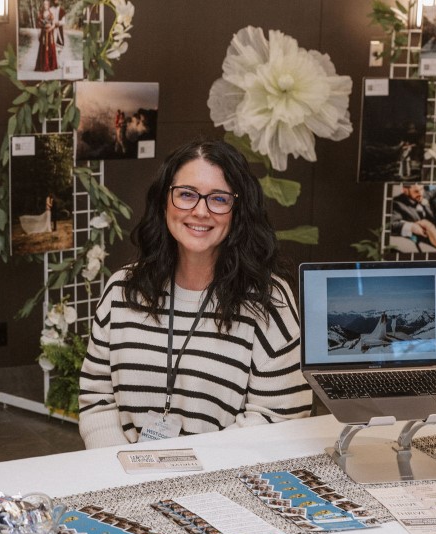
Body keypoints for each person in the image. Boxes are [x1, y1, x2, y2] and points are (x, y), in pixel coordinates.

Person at [78, 139, 311, 448]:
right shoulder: (123, 290)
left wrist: (193, 469)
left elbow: (279, 415)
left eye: (218, 199)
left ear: (237, 210)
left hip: (224, 483)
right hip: (126, 477)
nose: (201, 211)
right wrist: (119, 466)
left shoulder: (268, 302)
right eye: (186, 195)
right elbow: (97, 397)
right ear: (164, 203)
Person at [34, 0, 59, 73]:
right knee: (43, 47)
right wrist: (42, 27)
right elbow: (38, 23)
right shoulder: (41, 14)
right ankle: (42, 65)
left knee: (50, 47)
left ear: (48, 5)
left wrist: (50, 28)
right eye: (44, 4)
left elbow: (54, 24)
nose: (45, 6)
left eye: (46, 4)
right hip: (43, 33)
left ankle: (51, 65)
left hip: (50, 33)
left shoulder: (51, 14)